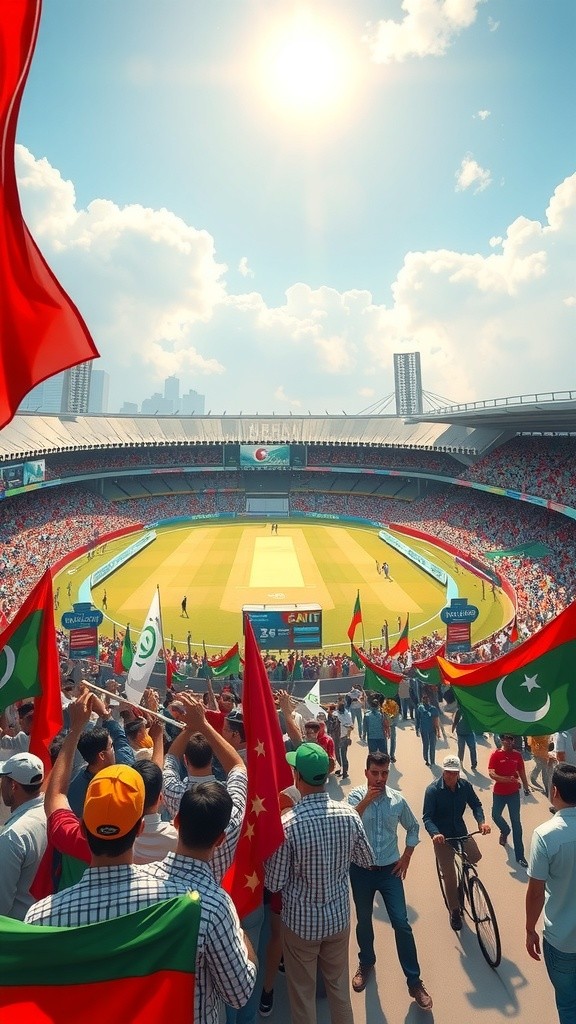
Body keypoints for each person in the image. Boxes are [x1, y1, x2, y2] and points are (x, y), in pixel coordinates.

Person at [25, 761, 256, 1024]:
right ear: (140, 828)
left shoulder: (39, 918)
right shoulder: (182, 905)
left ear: (83, 828)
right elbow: (238, 993)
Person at [265, 742, 374, 1024]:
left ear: (297, 777)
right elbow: (366, 859)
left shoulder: (288, 824)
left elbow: (274, 883)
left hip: (301, 924)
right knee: (339, 991)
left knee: (302, 995)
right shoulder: (349, 815)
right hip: (337, 918)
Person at [348, 752, 433, 1011]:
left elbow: (414, 827)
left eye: (384, 773)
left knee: (401, 923)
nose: (380, 778)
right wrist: (365, 802)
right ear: (366, 773)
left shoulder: (397, 800)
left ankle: (414, 981)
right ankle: (366, 962)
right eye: (375, 773)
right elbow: (345, 824)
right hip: (361, 870)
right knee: (363, 919)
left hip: (389, 871)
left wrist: (407, 855)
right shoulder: (354, 797)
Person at [526, 763, 576, 1024]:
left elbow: (535, 893)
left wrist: (529, 929)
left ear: (554, 790)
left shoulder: (545, 836)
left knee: (568, 1006)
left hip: (562, 942)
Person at [423, 754, 491, 931]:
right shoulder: (433, 791)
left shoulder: (465, 786)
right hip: (442, 838)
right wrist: (435, 833)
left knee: (475, 856)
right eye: (447, 772)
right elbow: (427, 817)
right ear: (443, 772)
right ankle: (454, 910)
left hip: (460, 831)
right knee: (449, 876)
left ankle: (463, 885)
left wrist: (481, 822)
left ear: (459, 773)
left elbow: (476, 805)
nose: (450, 776)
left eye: (454, 773)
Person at [0, 752, 47, 919]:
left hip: (15, 931)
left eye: (3, 779)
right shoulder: (52, 813)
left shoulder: (13, 836)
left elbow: (1, 905)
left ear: (13, 785)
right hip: (43, 919)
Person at [488, 732, 531, 868]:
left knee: (516, 823)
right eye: (504, 738)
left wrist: (526, 787)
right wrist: (505, 779)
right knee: (495, 815)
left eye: (510, 738)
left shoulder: (517, 756)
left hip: (513, 793)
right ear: (501, 740)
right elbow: (491, 773)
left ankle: (520, 856)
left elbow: (522, 772)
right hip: (499, 793)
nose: (507, 741)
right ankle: (505, 830)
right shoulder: (496, 754)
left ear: (513, 741)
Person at [415, 690, 440, 766]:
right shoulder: (420, 708)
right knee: (426, 745)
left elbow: (436, 720)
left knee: (432, 746)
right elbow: (417, 719)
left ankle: (432, 761)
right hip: (424, 730)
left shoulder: (433, 709)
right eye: (424, 698)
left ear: (429, 699)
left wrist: (438, 731)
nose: (425, 699)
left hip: (432, 730)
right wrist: (417, 728)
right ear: (422, 699)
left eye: (426, 698)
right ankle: (426, 759)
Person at [452, 706, 477, 771]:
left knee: (472, 748)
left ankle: (474, 763)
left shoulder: (470, 710)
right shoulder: (459, 711)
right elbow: (456, 720)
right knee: (461, 749)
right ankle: (460, 763)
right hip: (460, 734)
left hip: (469, 733)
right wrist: (453, 728)